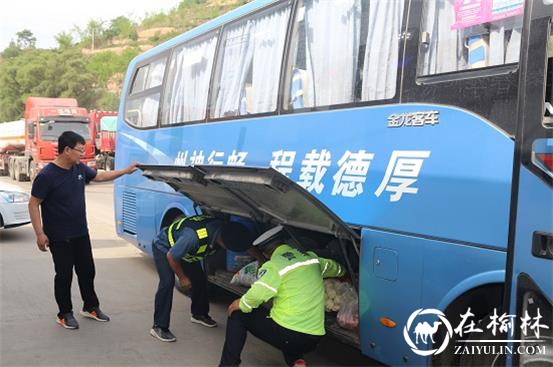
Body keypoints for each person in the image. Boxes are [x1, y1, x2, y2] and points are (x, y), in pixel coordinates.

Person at [28, 131, 138, 329]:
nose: (83, 154)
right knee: (64, 275)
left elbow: (100, 176)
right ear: (67, 150)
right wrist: (39, 233)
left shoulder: (78, 168)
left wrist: (125, 171)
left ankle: (90, 307)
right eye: (80, 150)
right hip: (59, 236)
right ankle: (64, 313)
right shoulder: (46, 176)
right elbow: (34, 203)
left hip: (80, 232)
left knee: (87, 271)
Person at [219, 226, 346, 367]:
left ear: (266, 253)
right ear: (283, 242)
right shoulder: (311, 258)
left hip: (290, 336)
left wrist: (240, 303)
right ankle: (296, 362)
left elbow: (257, 295)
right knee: (282, 319)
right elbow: (336, 268)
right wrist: (343, 273)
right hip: (313, 338)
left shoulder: (274, 266)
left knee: (238, 315)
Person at [150, 214, 255, 342]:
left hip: (186, 252)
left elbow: (246, 245)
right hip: (165, 248)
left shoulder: (228, 231)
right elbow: (172, 256)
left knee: (199, 279)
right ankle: (159, 327)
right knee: (167, 283)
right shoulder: (194, 238)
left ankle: (199, 314)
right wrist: (182, 277)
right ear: (222, 242)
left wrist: (263, 260)